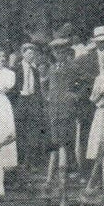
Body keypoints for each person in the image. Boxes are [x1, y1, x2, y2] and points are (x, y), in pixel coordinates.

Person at [43, 34, 81, 187]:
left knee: (68, 140)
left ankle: (71, 171)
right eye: (56, 52)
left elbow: (83, 84)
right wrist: (47, 97)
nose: (59, 55)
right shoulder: (52, 68)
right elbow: (45, 85)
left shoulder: (73, 66)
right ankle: (54, 175)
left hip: (67, 109)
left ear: (66, 52)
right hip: (54, 109)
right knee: (55, 141)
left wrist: (75, 96)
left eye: (62, 52)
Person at [12, 42, 46, 167]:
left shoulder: (35, 70)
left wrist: (38, 101)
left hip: (32, 101)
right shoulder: (16, 69)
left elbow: (37, 88)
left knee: (33, 130)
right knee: (20, 130)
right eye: (29, 53)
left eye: (33, 53)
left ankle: (30, 161)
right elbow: (13, 87)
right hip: (21, 100)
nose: (31, 56)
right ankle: (21, 160)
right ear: (23, 54)